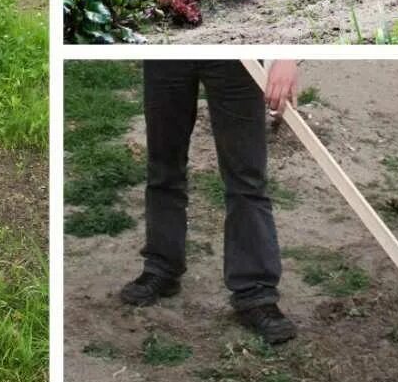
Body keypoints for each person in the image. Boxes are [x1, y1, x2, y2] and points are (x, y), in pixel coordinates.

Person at [120, 60, 300, 345]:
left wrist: (286, 58)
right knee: (163, 166)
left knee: (246, 178)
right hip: (167, 61)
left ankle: (255, 293)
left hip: (239, 62)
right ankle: (162, 267)